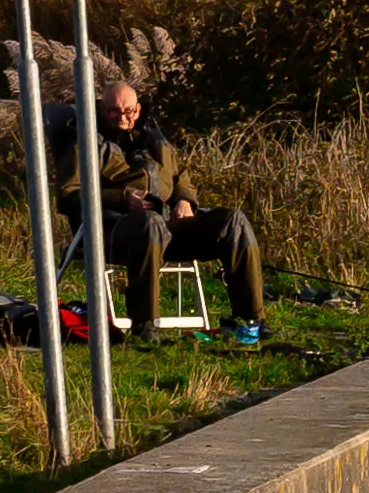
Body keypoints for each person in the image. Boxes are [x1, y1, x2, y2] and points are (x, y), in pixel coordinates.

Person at [96, 72, 267, 342]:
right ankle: (144, 326)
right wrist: (123, 198)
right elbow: (71, 193)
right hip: (116, 228)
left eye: (128, 111)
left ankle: (251, 319)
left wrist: (185, 200)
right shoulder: (86, 142)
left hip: (170, 226)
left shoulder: (156, 140)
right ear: (102, 110)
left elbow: (181, 176)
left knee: (233, 221)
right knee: (149, 223)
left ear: (138, 109)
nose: (122, 117)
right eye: (114, 112)